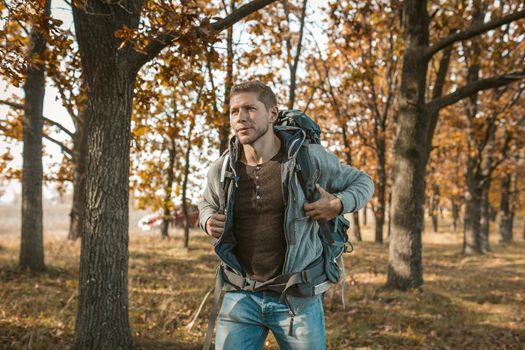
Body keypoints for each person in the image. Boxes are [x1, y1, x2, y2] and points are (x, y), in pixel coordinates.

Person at [198, 80, 374, 350]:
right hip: (240, 296)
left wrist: (338, 204)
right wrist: (207, 220)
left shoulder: (307, 158)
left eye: (250, 109)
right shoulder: (223, 168)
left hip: (296, 299)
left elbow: (363, 182)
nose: (241, 118)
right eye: (234, 111)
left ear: (272, 114)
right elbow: (206, 203)